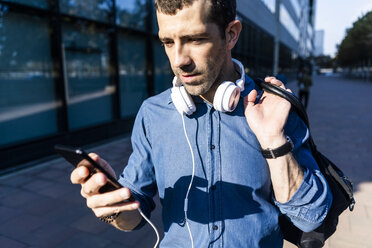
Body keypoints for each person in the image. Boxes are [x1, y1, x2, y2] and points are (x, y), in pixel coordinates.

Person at [70, 0, 332, 247]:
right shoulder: (153, 113)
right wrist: (113, 208)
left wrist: (274, 141)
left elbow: (311, 218)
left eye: (195, 39)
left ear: (231, 34)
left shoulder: (274, 107)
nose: (178, 60)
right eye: (168, 42)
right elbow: (136, 217)